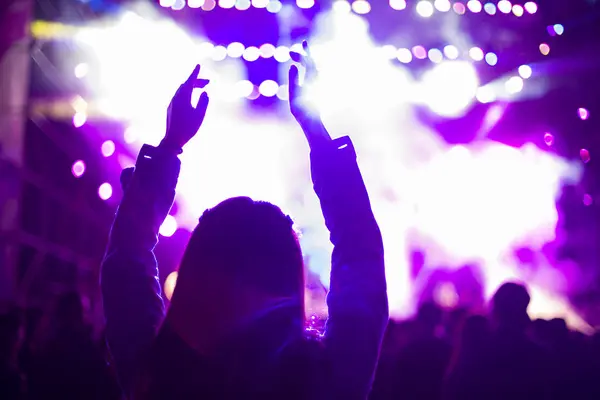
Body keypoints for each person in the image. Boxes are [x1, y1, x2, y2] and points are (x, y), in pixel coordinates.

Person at [101, 42, 388, 399]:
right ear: (287, 277)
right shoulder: (325, 384)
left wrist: (170, 145)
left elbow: (126, 258)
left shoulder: (154, 374)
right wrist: (317, 135)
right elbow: (361, 253)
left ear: (196, 270)